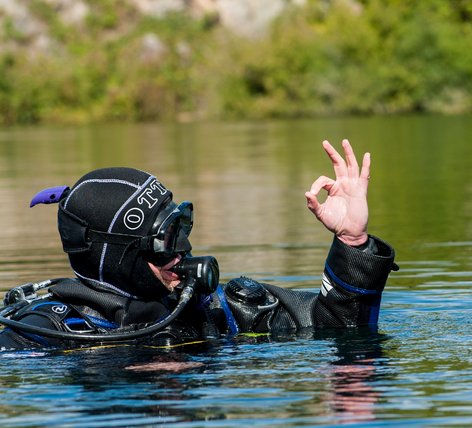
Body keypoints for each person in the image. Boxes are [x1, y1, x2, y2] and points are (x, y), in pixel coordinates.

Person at [0, 139, 397, 349]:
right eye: (165, 238)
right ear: (117, 255)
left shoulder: (217, 307)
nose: (183, 250)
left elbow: (340, 328)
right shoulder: (44, 333)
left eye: (182, 226)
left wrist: (351, 241)